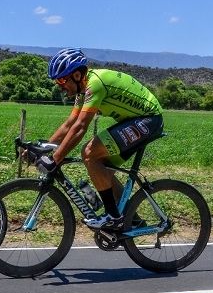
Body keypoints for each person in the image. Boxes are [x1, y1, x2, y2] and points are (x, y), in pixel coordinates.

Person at [34, 48, 163, 229]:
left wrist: (54, 159)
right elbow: (70, 123)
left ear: (77, 75)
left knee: (89, 152)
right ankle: (131, 221)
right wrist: (44, 147)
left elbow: (80, 128)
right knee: (103, 173)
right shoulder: (82, 91)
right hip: (135, 120)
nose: (59, 85)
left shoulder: (95, 84)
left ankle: (114, 217)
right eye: (56, 81)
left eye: (62, 80)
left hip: (149, 120)